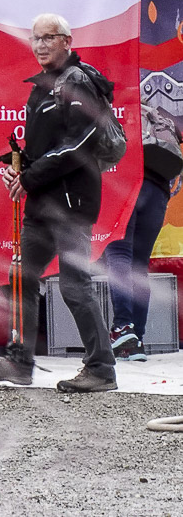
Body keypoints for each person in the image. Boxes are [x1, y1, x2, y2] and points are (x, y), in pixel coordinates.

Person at [0, 13, 118, 392]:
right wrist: (14, 165)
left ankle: (101, 369)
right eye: (35, 38)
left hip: (71, 205)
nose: (40, 45)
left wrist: (29, 177)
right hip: (42, 204)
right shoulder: (43, 86)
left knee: (74, 287)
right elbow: (45, 148)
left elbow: (79, 145)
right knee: (21, 278)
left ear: (67, 41)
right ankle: (19, 364)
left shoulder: (78, 81)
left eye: (49, 37)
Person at [105, 101, 183, 361]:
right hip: (157, 191)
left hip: (125, 185)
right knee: (139, 266)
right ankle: (136, 337)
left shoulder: (109, 107)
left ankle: (123, 328)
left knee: (118, 254)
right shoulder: (151, 110)